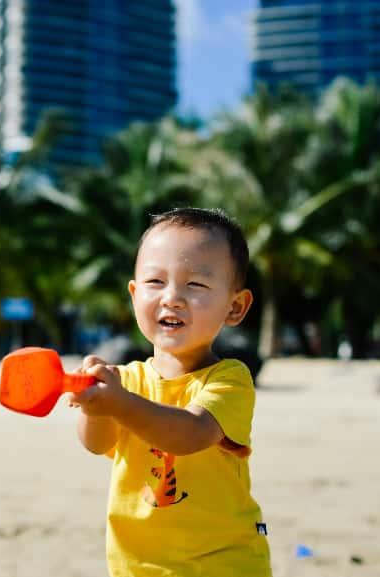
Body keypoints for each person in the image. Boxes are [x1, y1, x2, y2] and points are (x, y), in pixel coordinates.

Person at [69, 207, 272, 577]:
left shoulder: (229, 380)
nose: (172, 298)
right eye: (155, 282)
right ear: (134, 295)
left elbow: (189, 433)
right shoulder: (127, 381)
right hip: (138, 567)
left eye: (195, 285)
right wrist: (94, 404)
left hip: (223, 564)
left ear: (235, 306)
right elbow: (96, 444)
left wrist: (119, 402)